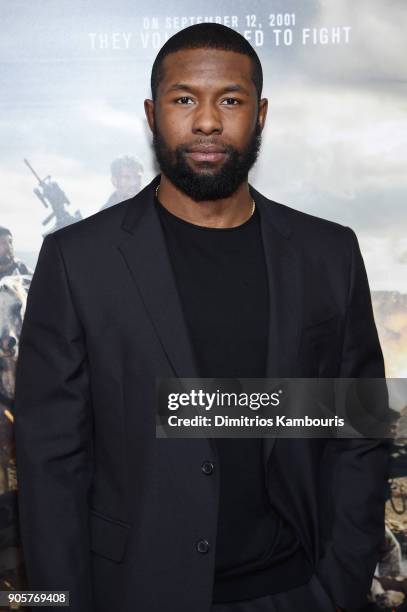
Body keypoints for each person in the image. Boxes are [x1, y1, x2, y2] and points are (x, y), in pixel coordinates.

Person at [13, 23, 390, 612]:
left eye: (231, 101)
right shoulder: (76, 261)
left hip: (296, 591)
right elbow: (48, 467)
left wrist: (338, 587)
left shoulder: (328, 255)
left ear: (260, 114)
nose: (208, 121)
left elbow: (357, 433)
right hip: (133, 594)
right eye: (184, 99)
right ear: (151, 113)